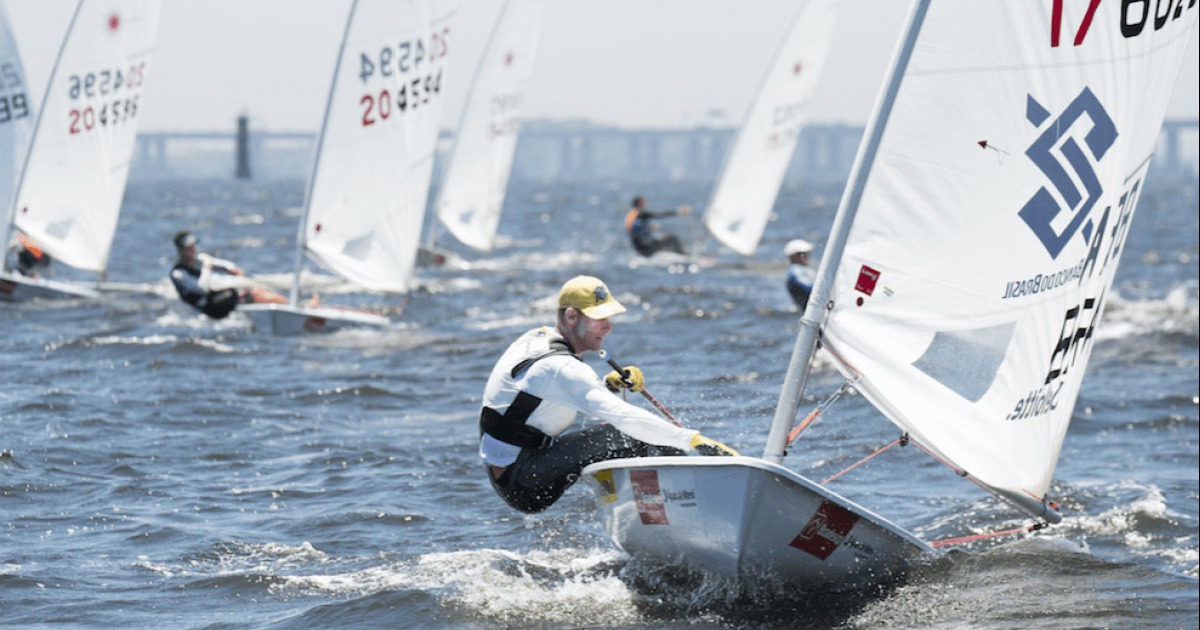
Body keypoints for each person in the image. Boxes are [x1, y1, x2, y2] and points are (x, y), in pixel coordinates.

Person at [479, 274, 738, 514]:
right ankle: (683, 514)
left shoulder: (537, 337)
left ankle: (643, 512)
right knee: (637, 436)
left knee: (628, 437)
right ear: (571, 316)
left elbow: (552, 400)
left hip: (513, 471)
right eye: (600, 319)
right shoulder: (561, 367)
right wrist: (692, 440)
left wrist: (609, 386)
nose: (608, 327)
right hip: (523, 483)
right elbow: (623, 417)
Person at [168, 230, 286, 319]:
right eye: (189, 249)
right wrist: (207, 268)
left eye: (193, 247)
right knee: (244, 294)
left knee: (256, 290)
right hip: (208, 309)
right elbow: (201, 289)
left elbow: (224, 265)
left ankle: (286, 306)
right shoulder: (178, 273)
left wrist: (233, 269)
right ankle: (283, 308)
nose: (193, 250)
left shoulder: (200, 259)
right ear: (181, 251)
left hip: (217, 299)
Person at [624, 195, 690, 257]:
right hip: (647, 248)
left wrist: (648, 229)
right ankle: (683, 255)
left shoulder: (631, 215)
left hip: (640, 249)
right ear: (640, 203)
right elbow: (660, 215)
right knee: (673, 238)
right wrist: (678, 212)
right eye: (644, 203)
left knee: (661, 240)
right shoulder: (641, 212)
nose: (646, 205)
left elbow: (636, 232)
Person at [785, 238, 816, 309]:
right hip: (810, 312)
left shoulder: (804, 270)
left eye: (806, 254)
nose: (805, 256)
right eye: (801, 254)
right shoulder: (795, 271)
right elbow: (811, 289)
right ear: (793, 256)